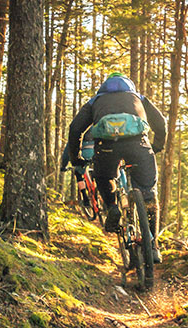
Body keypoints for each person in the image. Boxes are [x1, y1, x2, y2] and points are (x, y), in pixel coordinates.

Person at [67, 72, 167, 263]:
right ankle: (153, 246)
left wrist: (76, 158)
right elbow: (161, 122)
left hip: (106, 148)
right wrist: (157, 146)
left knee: (103, 177)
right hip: (138, 145)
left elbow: (75, 129)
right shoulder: (138, 98)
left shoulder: (95, 101)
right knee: (149, 194)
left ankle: (112, 207)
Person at [60, 128, 95, 209]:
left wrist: (63, 166)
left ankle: (85, 198)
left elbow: (67, 152)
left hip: (84, 154)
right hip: (96, 152)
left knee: (78, 173)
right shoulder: (94, 128)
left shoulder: (76, 131)